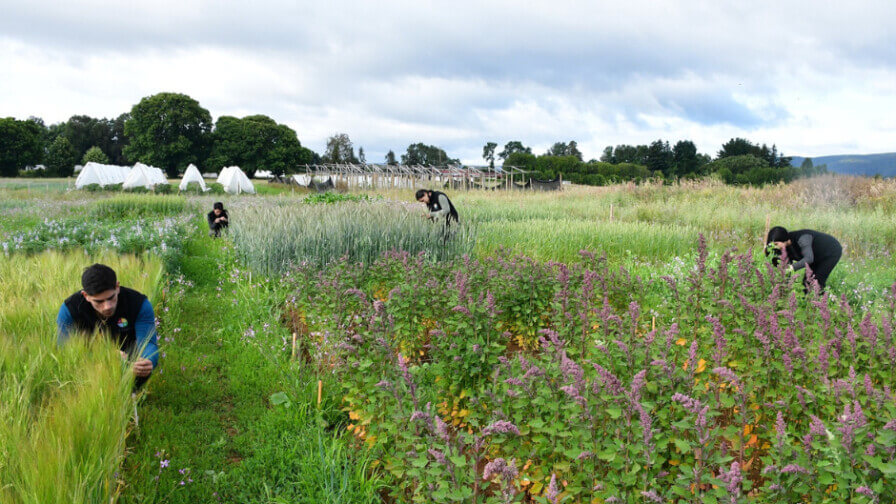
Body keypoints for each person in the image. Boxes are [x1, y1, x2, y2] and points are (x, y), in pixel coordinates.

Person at [56, 263, 159, 389]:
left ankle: (133, 394)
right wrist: (105, 355)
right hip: (87, 359)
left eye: (111, 298)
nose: (107, 306)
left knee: (138, 370)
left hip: (129, 357)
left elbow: (148, 342)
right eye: (99, 301)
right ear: (86, 296)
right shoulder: (70, 309)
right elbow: (64, 350)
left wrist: (149, 360)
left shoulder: (138, 303)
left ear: (117, 287)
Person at [765, 226, 842, 293]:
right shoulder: (784, 248)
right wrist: (783, 285)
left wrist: (792, 268)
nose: (775, 247)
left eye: (776, 244)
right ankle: (807, 304)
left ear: (783, 239)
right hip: (815, 255)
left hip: (831, 251)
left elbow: (809, 259)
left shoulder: (802, 238)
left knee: (817, 281)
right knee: (807, 283)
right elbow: (785, 268)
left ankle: (821, 305)